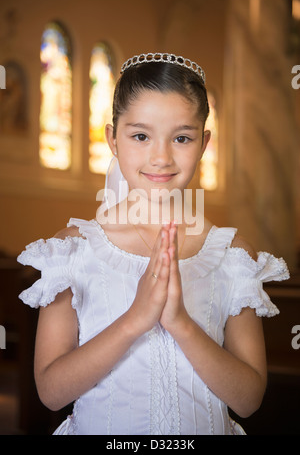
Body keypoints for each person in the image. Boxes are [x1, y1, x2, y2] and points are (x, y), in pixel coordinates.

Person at [17, 53, 290, 435]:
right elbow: (51, 392)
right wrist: (135, 320)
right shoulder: (72, 252)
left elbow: (248, 400)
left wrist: (180, 323)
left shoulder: (231, 256)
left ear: (204, 142)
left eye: (181, 137)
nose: (160, 158)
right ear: (113, 138)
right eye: (140, 136)